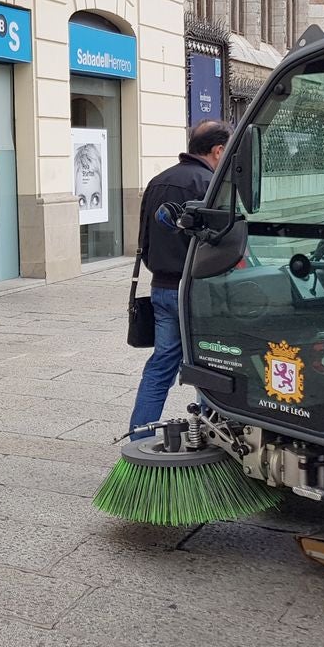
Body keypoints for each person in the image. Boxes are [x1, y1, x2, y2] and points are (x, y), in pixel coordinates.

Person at [128, 120, 232, 440]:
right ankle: (210, 438)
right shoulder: (211, 184)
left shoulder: (157, 181)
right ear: (217, 150)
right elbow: (224, 243)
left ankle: (139, 438)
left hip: (161, 288)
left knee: (161, 365)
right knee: (210, 365)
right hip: (198, 291)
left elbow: (143, 240)